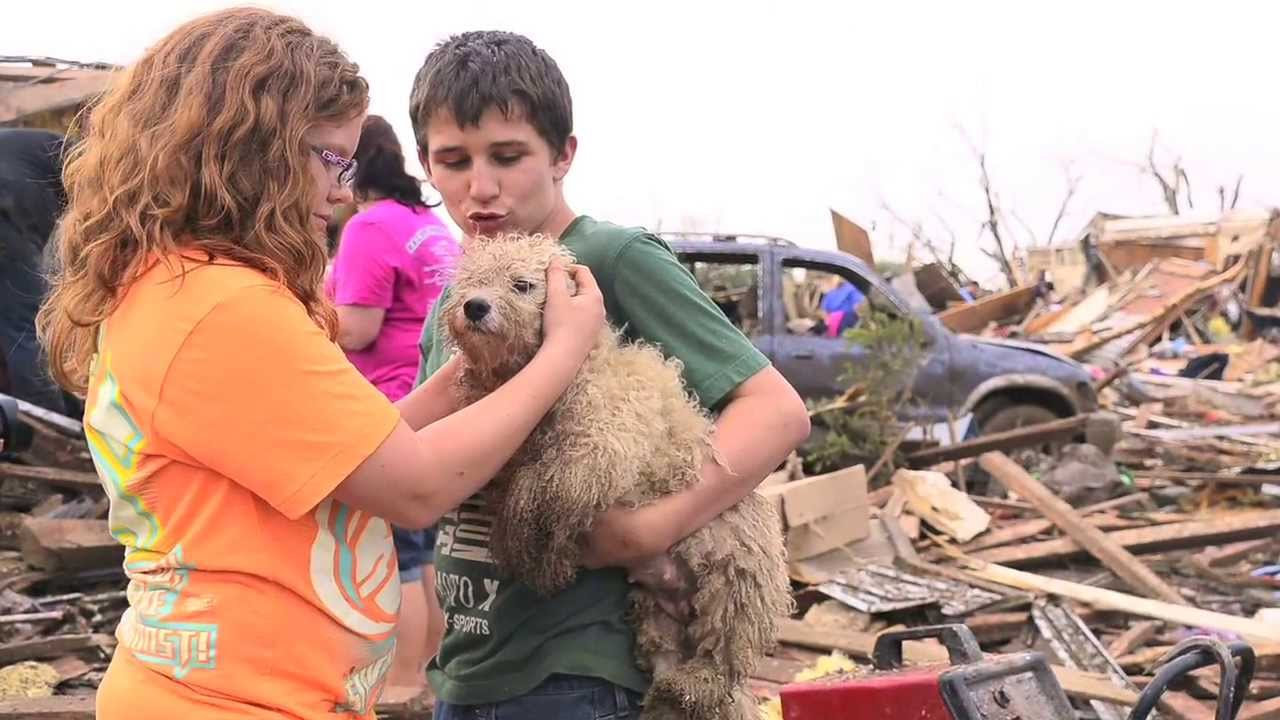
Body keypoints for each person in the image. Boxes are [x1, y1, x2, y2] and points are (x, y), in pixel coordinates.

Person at [36, 10, 604, 720]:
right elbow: (417, 486)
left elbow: (360, 448)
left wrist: (469, 374)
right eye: (330, 158)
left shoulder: (187, 285)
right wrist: (562, 352)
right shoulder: (220, 307)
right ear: (249, 149)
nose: (342, 192)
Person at [407, 31, 811, 719]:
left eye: (508, 157)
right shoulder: (458, 302)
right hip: (472, 666)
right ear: (424, 164)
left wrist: (650, 528)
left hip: (579, 671)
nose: (480, 188)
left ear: (563, 154)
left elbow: (775, 410)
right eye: (453, 161)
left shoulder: (609, 259)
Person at [328, 114, 457, 700]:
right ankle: (431, 677)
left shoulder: (368, 227)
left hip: (390, 405)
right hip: (442, 400)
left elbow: (356, 329)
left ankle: (402, 687)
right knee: (428, 557)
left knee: (400, 561)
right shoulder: (426, 223)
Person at [0, 128, 71, 414]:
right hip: (6, 214)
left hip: (12, 211)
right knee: (26, 331)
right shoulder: (94, 163)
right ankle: (53, 426)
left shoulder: (41, 148)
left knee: (15, 325)